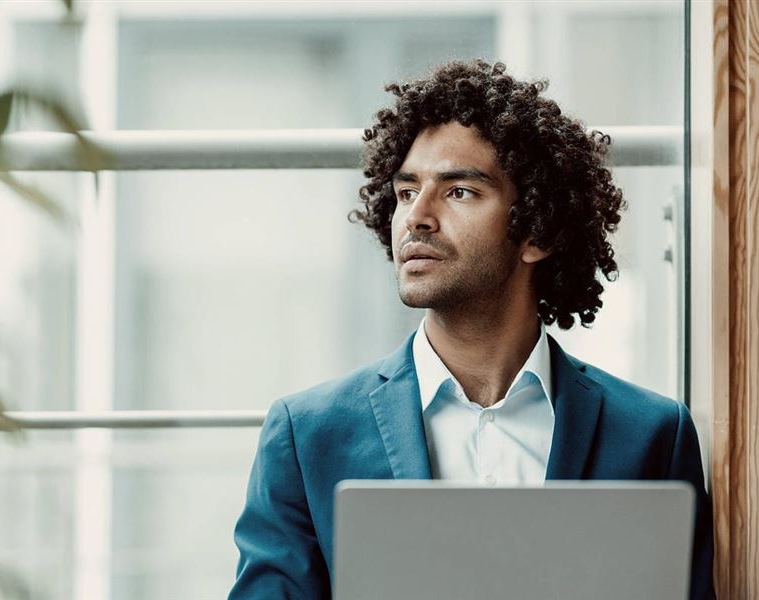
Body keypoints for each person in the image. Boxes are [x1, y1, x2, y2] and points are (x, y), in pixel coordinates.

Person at [228, 59, 714, 600]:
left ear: (537, 230)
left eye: (459, 191)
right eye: (407, 191)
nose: (417, 216)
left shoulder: (653, 435)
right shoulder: (305, 434)